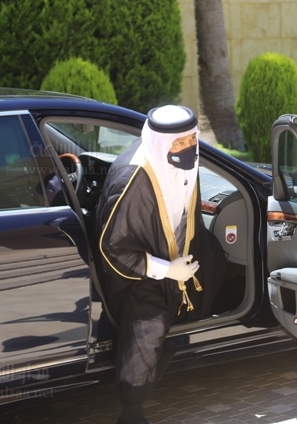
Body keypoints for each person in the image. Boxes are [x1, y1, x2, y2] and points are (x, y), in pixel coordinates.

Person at [95, 105, 226, 424]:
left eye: (191, 139)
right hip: (139, 273)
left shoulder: (186, 158)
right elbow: (114, 249)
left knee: (219, 262)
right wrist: (167, 270)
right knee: (147, 336)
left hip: (179, 256)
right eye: (178, 143)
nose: (188, 147)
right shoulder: (135, 179)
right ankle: (131, 413)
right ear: (160, 142)